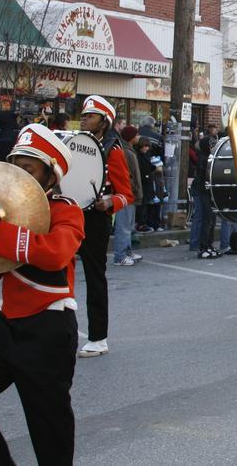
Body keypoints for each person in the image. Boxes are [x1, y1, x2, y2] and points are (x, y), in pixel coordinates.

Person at [0, 123, 84, 465]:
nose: (18, 175)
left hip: (48, 331)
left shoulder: (65, 210)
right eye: (15, 166)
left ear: (50, 176)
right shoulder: (3, 211)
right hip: (8, 329)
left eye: (29, 168)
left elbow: (55, 254)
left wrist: (0, 230)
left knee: (50, 435)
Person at [77, 95, 134, 357]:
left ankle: (98, 338)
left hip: (96, 219)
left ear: (104, 121)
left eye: (90, 115)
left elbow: (127, 194)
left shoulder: (114, 150)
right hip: (72, 214)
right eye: (84, 115)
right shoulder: (77, 145)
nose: (84, 118)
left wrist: (110, 201)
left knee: (94, 276)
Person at [112, 125, 144, 266]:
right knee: (124, 226)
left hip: (130, 193)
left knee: (128, 226)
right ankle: (120, 256)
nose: (138, 137)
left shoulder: (129, 150)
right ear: (131, 137)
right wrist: (134, 189)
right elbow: (129, 175)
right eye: (136, 135)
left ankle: (127, 251)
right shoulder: (126, 152)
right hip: (127, 194)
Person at [189, 127, 219, 258]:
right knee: (205, 218)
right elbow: (204, 176)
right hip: (203, 191)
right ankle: (203, 245)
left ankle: (207, 244)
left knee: (210, 219)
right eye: (211, 144)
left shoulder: (207, 157)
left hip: (205, 190)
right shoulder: (204, 158)